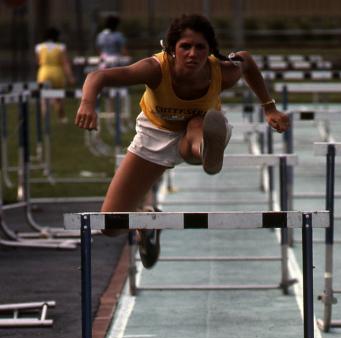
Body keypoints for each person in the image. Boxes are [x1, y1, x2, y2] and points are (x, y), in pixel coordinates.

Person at [75, 13, 289, 269]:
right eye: (185, 46)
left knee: (197, 126)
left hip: (198, 128)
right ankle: (146, 220)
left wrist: (269, 107)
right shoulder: (155, 69)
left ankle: (206, 149)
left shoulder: (222, 72)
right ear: (172, 49)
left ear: (210, 50)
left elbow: (246, 61)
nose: (192, 54)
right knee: (110, 225)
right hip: (155, 132)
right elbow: (98, 77)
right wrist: (88, 104)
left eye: (200, 47)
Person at [35, 27, 75, 122]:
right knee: (59, 96)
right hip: (57, 72)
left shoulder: (39, 47)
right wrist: (70, 77)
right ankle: (61, 117)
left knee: (43, 98)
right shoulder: (61, 47)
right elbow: (65, 63)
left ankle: (45, 119)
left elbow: (38, 61)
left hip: (43, 72)